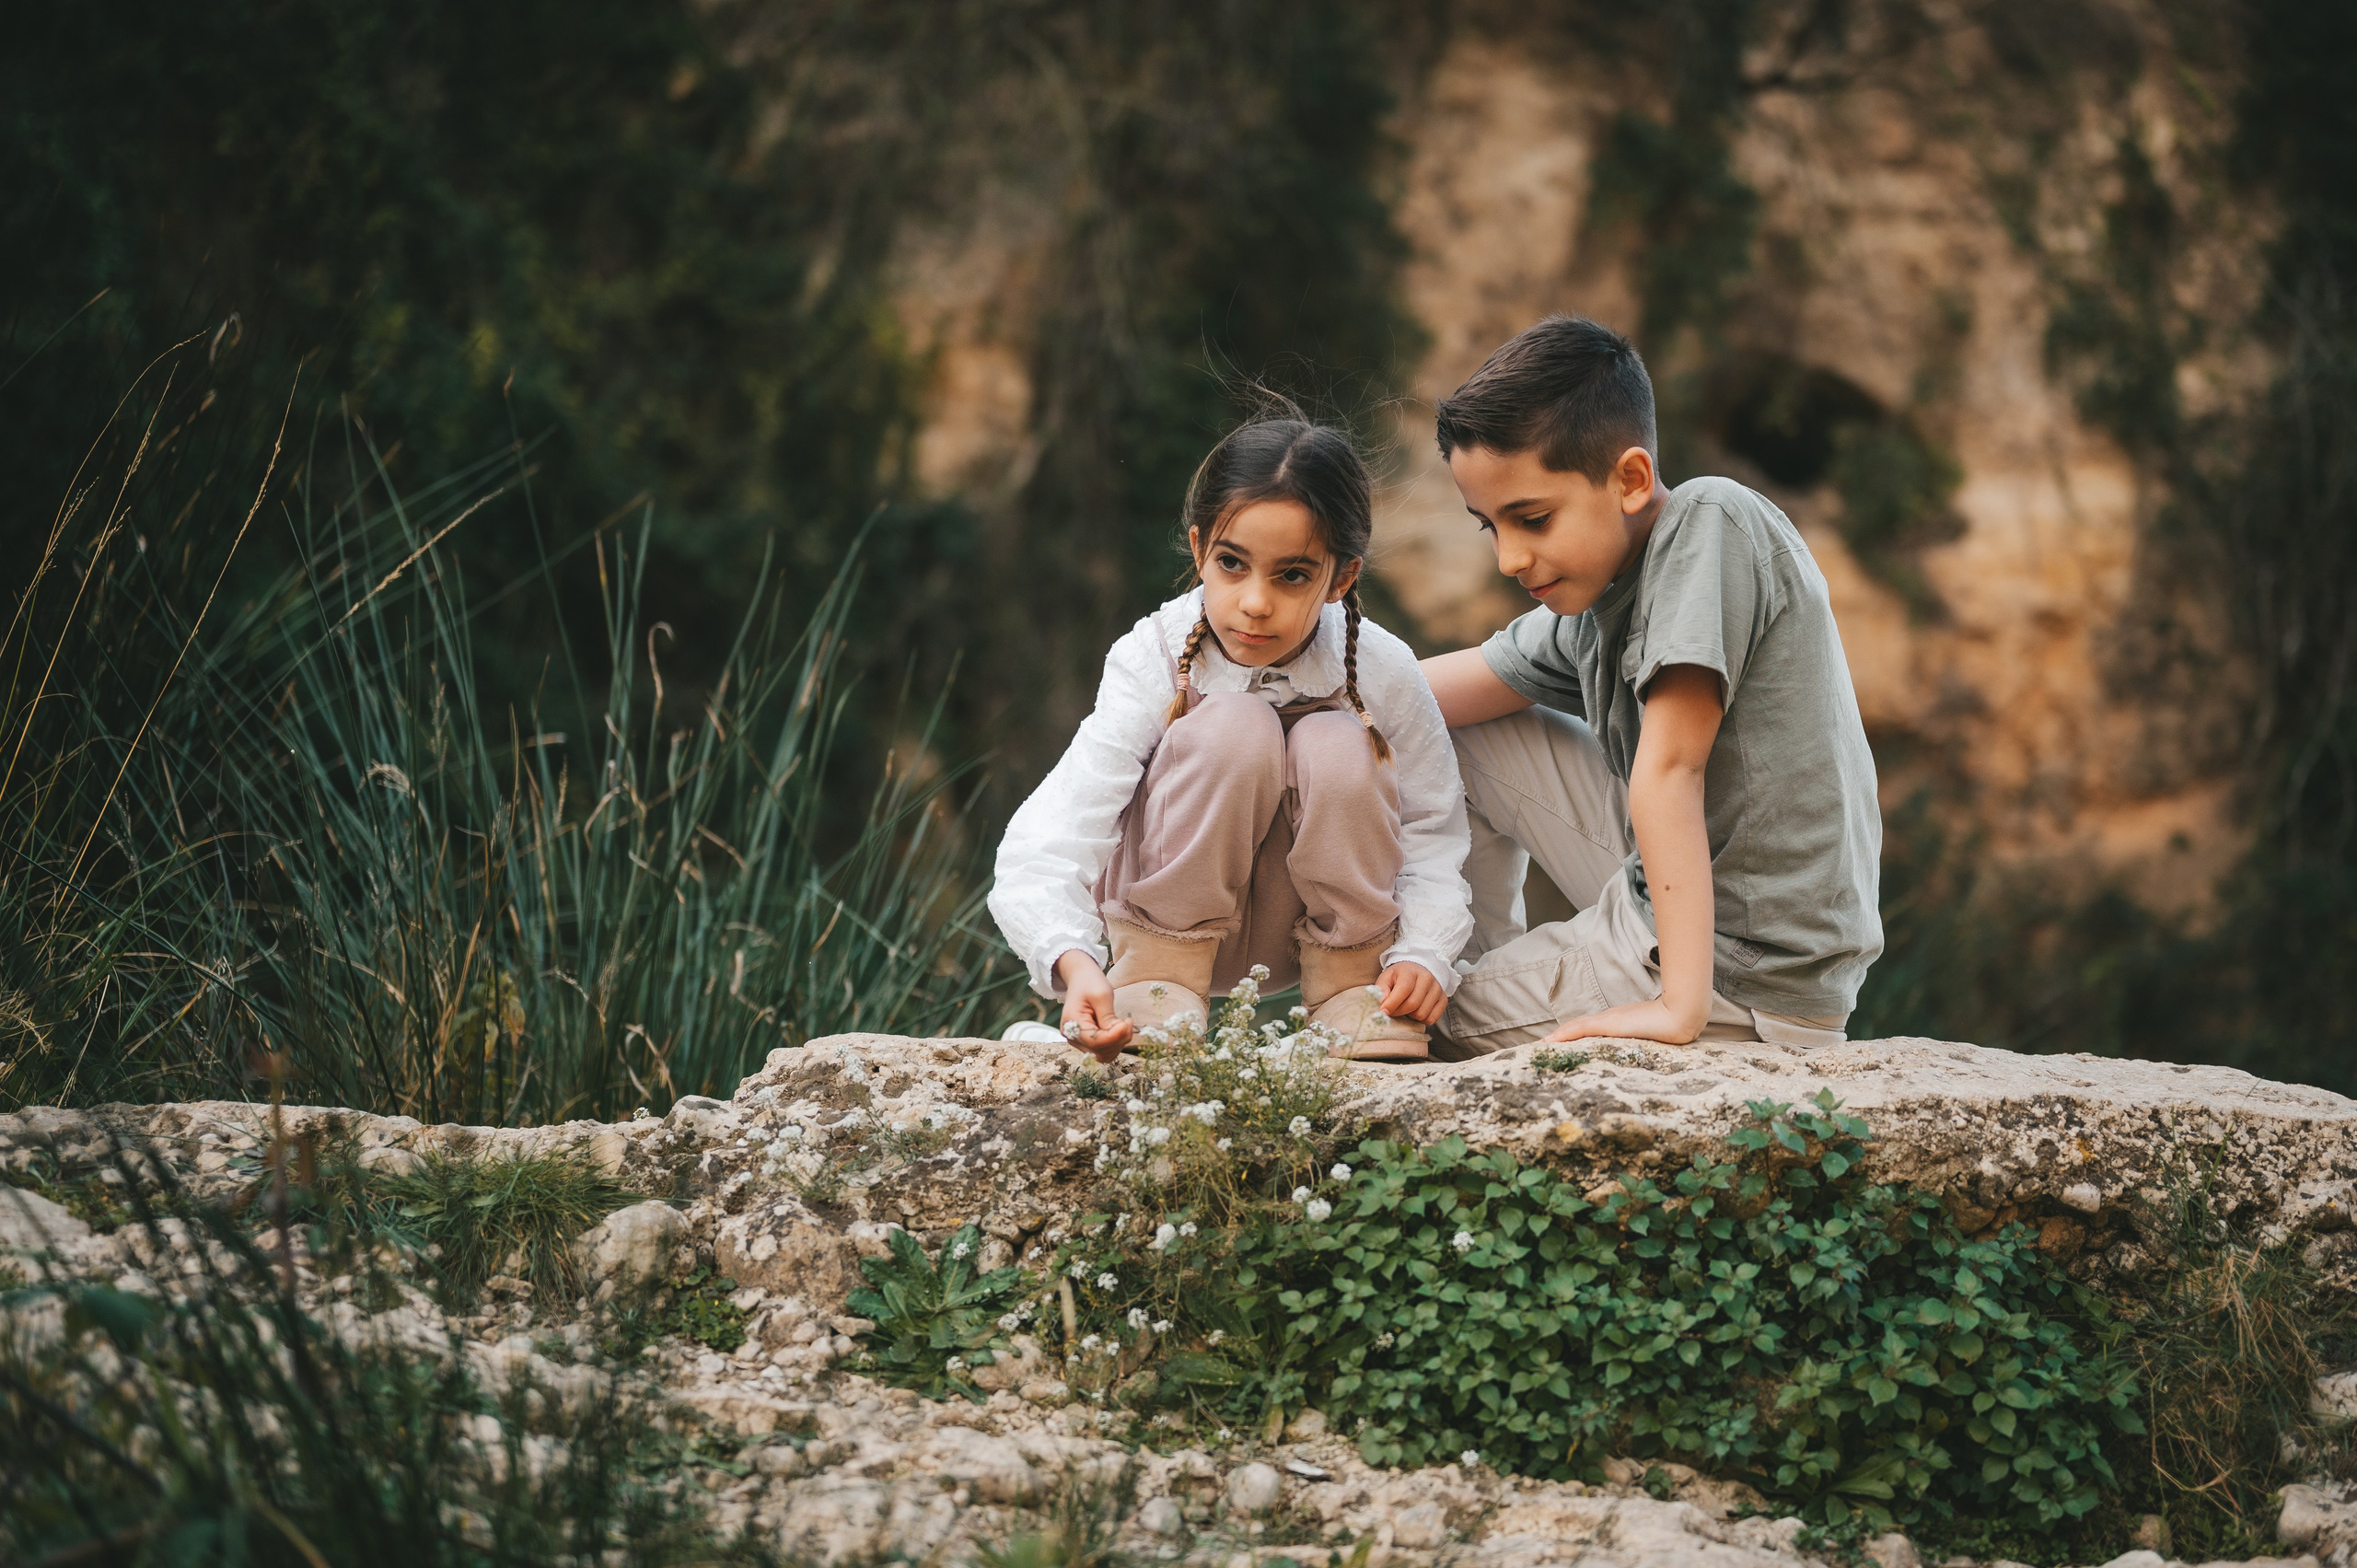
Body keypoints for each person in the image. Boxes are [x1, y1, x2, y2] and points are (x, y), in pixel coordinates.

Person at [1418, 315, 1882, 1054]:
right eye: (1489, 527)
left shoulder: (1712, 522)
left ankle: (1498, 996)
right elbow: (1419, 696)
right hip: (1684, 892)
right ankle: (1467, 956)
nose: (1509, 557)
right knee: (1459, 732)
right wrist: (1270, 692)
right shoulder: (1599, 595)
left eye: (1532, 518)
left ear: (1631, 479)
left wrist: (1678, 1009)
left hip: (1742, 965)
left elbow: (1671, 769)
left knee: (1409, 1018)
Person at [991, 412, 1472, 1065]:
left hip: (1313, 938)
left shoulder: (1382, 669)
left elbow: (1433, 830)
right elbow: (1053, 836)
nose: (1254, 602)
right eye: (1232, 563)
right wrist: (1076, 964)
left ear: (1342, 579)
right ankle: (1157, 990)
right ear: (1198, 550)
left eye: (1292, 575)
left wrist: (1425, 953)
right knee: (1233, 727)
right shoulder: (1152, 655)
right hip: (1164, 930)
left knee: (1341, 742)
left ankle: (1352, 996)